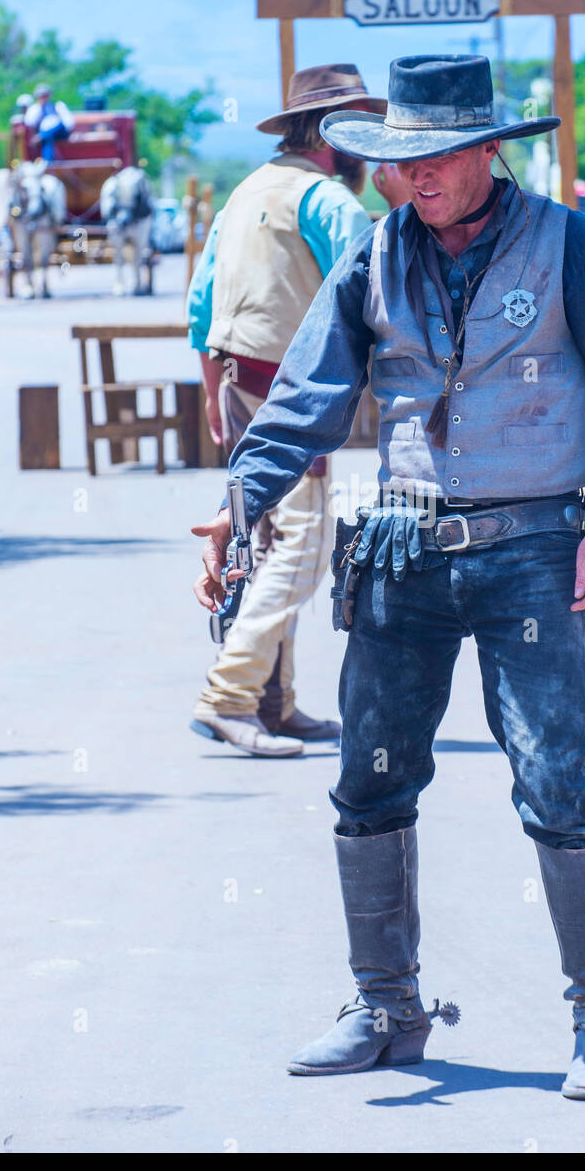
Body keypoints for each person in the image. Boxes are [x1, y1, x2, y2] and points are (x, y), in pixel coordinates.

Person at [192, 55, 585, 1099]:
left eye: (434, 159)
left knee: (556, 777)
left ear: (486, 150)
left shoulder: (569, 246)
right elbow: (308, 398)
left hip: (534, 546)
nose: (413, 179)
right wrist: (239, 502)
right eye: (395, 161)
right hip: (400, 544)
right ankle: (385, 1004)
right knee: (368, 777)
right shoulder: (369, 257)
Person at [188, 63, 409, 758]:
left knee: (270, 545)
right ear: (330, 135)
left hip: (236, 378)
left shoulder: (247, 190)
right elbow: (374, 299)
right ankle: (229, 695)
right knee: (304, 552)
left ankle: (274, 701)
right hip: (288, 391)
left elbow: (200, 306)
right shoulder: (328, 201)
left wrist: (211, 397)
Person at [23, 84, 74, 162]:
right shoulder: (34, 109)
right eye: (41, 96)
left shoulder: (58, 106)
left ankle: (42, 137)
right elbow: (29, 123)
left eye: (45, 95)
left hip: (60, 133)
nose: (44, 98)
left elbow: (69, 124)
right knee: (48, 138)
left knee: (57, 127)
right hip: (45, 135)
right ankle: (48, 163)